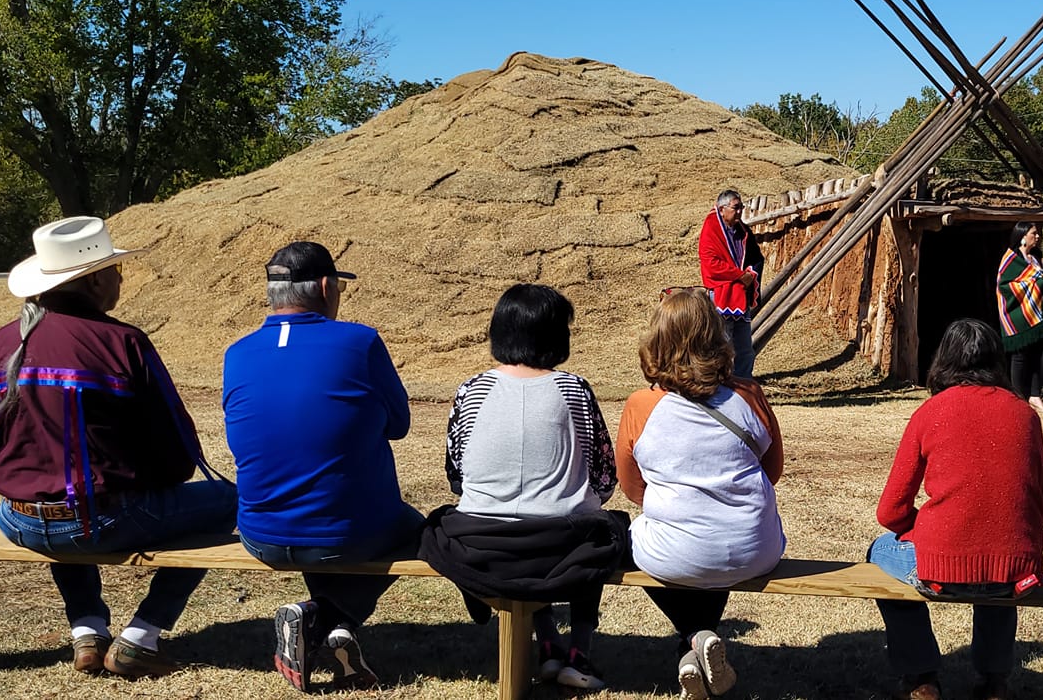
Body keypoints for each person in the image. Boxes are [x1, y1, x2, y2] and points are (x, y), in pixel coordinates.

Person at [0, 216, 236, 678]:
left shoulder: (1, 342)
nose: (120, 280)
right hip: (101, 519)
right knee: (229, 500)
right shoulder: (121, 342)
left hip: (16, 518)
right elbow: (176, 445)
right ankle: (143, 634)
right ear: (96, 279)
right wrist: (156, 480)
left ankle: (86, 628)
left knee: (59, 491)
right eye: (116, 271)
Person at [222, 241, 422, 692]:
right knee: (412, 527)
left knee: (321, 503)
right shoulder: (360, 341)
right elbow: (400, 425)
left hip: (261, 535)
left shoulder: (237, 353)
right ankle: (325, 619)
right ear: (328, 286)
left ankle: (330, 625)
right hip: (347, 534)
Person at [419, 284, 626, 691]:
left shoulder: (472, 388)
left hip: (480, 547)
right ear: (557, 336)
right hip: (563, 547)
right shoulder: (573, 390)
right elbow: (603, 476)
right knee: (600, 524)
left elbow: (456, 474)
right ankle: (577, 651)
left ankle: (548, 641)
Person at [616, 287, 785, 700]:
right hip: (754, 548)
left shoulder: (641, 406)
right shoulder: (750, 395)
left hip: (676, 552)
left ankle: (692, 634)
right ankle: (695, 643)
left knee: (627, 539)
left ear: (656, 339)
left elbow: (631, 488)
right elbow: (773, 471)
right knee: (713, 540)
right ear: (718, 336)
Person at [868, 318, 1043, 700]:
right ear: (996, 361)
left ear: (943, 360)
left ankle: (921, 677)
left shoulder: (930, 413)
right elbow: (1037, 500)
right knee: (999, 554)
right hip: (1016, 570)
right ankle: (993, 680)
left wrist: (924, 530)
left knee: (878, 551)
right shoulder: (1025, 415)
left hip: (939, 568)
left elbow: (890, 511)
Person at [995, 222, 1043, 414]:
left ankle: (1035, 396)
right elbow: (1005, 286)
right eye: (1034, 233)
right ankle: (1019, 398)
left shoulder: (1036, 258)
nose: (1038, 237)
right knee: (1021, 356)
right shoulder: (1011, 260)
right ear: (1022, 236)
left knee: (1039, 354)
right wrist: (1037, 285)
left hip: (1038, 314)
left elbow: (1040, 279)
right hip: (1019, 313)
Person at [698, 189, 764, 379]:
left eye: (741, 207)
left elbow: (756, 257)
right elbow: (711, 264)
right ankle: (719, 386)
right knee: (721, 346)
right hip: (720, 296)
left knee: (744, 350)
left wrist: (751, 274)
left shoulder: (743, 231)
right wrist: (739, 275)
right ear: (721, 209)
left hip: (740, 296)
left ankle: (743, 386)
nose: (739, 211)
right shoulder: (711, 229)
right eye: (736, 208)